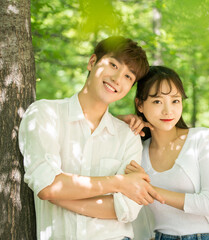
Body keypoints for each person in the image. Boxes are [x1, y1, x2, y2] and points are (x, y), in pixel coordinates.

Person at [18, 36, 164, 240]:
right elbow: (49, 185)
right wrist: (120, 183)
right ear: (92, 62)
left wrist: (62, 197)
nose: (117, 78)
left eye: (128, 77)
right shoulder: (45, 114)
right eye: (113, 65)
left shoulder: (127, 135)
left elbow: (126, 209)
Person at [121, 66, 209, 240]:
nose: (168, 111)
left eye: (175, 101)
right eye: (157, 101)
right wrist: (122, 119)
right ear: (140, 104)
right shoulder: (138, 153)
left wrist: (148, 189)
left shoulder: (201, 138)